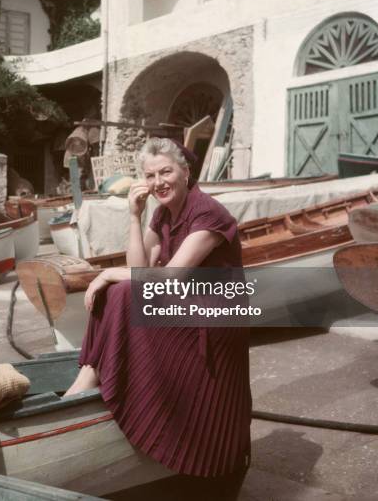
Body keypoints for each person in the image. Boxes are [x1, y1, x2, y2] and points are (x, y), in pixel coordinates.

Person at [64, 137, 251, 499]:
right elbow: (140, 268)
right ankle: (91, 373)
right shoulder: (163, 212)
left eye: (166, 171)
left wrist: (106, 274)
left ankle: (92, 375)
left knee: (118, 290)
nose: (158, 182)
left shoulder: (208, 213)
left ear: (185, 171)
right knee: (119, 292)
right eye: (150, 175)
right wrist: (133, 215)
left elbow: (171, 276)